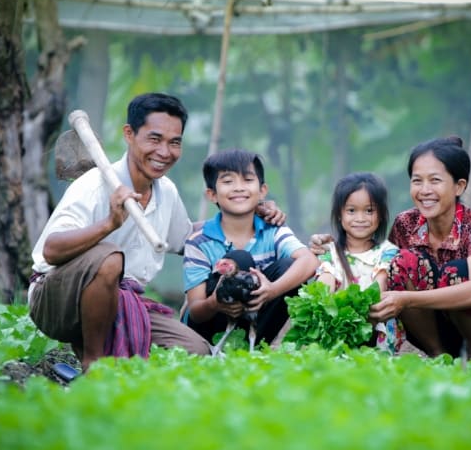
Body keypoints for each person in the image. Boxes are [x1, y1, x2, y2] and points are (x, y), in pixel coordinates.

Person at [28, 93, 284, 372]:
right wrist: (108, 225)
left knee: (197, 352)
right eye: (154, 139)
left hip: (122, 303)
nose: (164, 152)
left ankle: (114, 352)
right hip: (55, 299)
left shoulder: (166, 192)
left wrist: (245, 212)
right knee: (110, 257)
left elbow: (188, 238)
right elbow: (51, 250)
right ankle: (94, 365)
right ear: (129, 134)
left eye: (174, 142)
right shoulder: (93, 186)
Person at [312, 136, 471, 359]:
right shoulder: (405, 224)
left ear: (459, 186)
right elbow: (377, 261)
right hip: (444, 328)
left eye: (435, 180)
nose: (424, 190)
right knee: (400, 264)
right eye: (417, 181)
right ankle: (439, 357)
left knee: (456, 273)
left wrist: (407, 299)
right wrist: (338, 249)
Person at [183, 148, 319, 349]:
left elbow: (309, 260)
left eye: (247, 180)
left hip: (259, 318)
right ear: (212, 194)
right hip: (210, 325)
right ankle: (216, 347)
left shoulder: (273, 230)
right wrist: (215, 302)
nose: (239, 188)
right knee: (235, 261)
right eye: (228, 182)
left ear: (262, 190)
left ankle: (258, 345)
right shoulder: (199, 242)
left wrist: (272, 290)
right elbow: (195, 310)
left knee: (290, 265)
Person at [314, 172, 402, 353]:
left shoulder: (388, 252)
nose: (360, 218)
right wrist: (327, 307)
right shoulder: (330, 251)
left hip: (374, 329)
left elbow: (379, 288)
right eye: (351, 210)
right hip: (336, 328)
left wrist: (358, 316)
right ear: (340, 214)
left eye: (369, 211)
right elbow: (325, 281)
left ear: (381, 216)